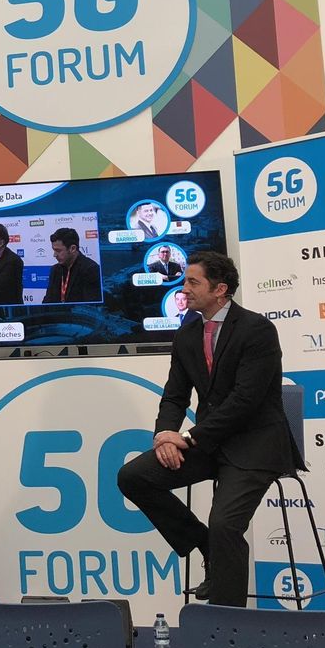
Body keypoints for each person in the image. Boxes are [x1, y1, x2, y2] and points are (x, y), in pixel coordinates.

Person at [116, 251, 297, 607]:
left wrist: (189, 437)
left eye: (192, 282)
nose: (183, 288)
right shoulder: (188, 334)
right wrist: (165, 434)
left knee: (226, 525)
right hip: (210, 444)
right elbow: (174, 395)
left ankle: (227, 627)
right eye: (184, 280)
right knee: (133, 476)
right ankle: (205, 546)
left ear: (221, 289)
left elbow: (245, 402)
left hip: (255, 446)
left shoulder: (256, 329)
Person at [42, 227, 101, 304]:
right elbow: (47, 302)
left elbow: (91, 306)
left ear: (72, 249)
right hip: (56, 315)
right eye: (54, 250)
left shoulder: (90, 269)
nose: (54, 255)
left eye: (58, 251)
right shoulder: (55, 269)